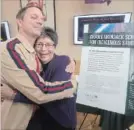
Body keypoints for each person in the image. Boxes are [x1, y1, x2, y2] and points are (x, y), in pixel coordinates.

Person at [1, 6, 75, 130]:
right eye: (34, 17)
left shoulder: (37, 55)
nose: (40, 21)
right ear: (20, 21)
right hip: (15, 122)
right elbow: (41, 92)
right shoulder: (12, 49)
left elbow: (44, 95)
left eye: (42, 19)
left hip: (57, 121)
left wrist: (14, 95)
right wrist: (72, 85)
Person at [26, 27, 77, 130]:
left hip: (60, 119)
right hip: (39, 115)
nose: (44, 49)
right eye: (39, 44)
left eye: (48, 44)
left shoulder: (63, 61)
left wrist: (12, 96)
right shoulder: (33, 63)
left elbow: (48, 94)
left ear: (54, 46)